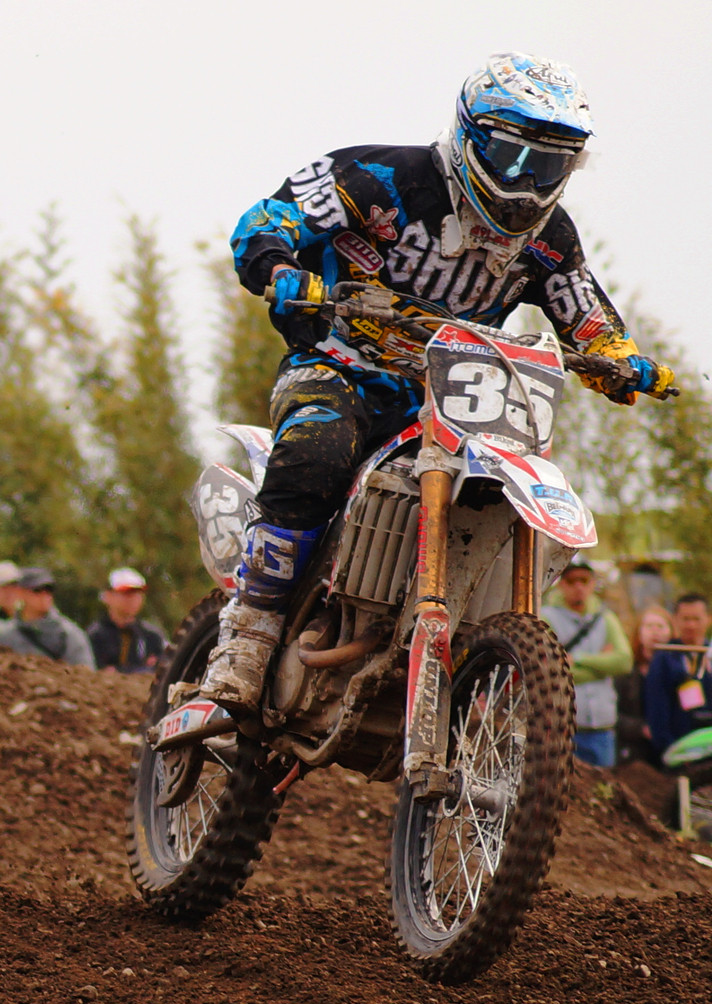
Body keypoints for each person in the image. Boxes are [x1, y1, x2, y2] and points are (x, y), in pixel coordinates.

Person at [196, 53, 676, 712]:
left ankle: (479, 661)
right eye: (512, 157)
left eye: (548, 165)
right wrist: (281, 269)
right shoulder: (379, 178)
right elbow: (266, 221)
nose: (526, 183)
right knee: (316, 452)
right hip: (339, 367)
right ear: (471, 136)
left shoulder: (549, 239)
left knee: (503, 495)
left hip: (454, 402)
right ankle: (248, 633)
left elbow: (584, 312)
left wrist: (620, 359)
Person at [539, 559, 631, 767]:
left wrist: (579, 659)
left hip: (603, 729)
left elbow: (624, 661)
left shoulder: (605, 618)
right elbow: (551, 670)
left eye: (584, 580)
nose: (578, 587)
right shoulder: (547, 618)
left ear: (592, 584)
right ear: (562, 584)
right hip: (564, 728)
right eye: (572, 581)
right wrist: (603, 667)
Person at [645, 595, 712, 757]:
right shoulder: (665, 657)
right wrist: (668, 747)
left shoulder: (709, 654)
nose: (691, 625)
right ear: (675, 620)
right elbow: (657, 707)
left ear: (708, 619)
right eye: (686, 619)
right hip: (678, 749)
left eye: (696, 619)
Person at [0, 568, 95, 669]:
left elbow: (86, 674)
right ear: (20, 592)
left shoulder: (69, 635)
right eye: (37, 590)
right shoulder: (6, 635)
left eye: (49, 590)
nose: (44, 596)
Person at [616, 606, 673, 765]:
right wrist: (640, 728)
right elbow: (613, 714)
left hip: (670, 749)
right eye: (649, 626)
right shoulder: (625, 671)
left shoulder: (679, 670)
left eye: (660, 626)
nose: (655, 632)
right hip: (633, 752)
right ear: (639, 633)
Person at [87, 567, 167, 674]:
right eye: (126, 593)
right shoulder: (96, 636)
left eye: (138, 593)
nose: (133, 598)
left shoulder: (152, 636)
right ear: (108, 596)